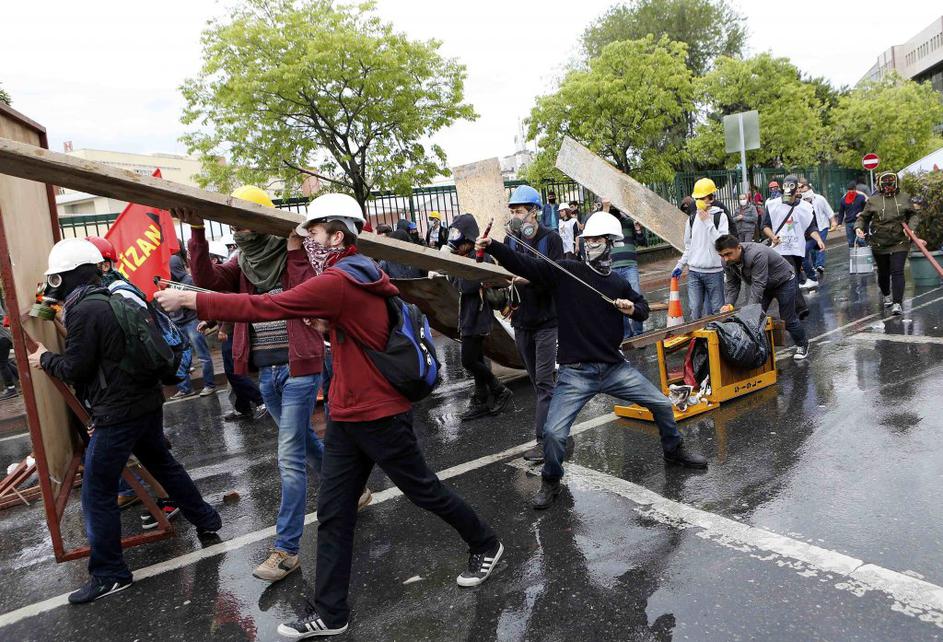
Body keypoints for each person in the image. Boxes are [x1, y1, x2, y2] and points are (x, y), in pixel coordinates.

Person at [155, 193, 503, 639]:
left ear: (337, 236)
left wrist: (191, 299)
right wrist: (330, 326)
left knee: (424, 491)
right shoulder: (354, 274)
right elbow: (356, 327)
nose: (308, 242)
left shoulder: (341, 279)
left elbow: (266, 307)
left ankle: (486, 543)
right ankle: (331, 612)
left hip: (378, 414)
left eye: (314, 233)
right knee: (335, 513)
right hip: (346, 413)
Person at [28, 238, 221, 604]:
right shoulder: (109, 296)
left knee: (96, 492)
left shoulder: (84, 309)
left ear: (64, 277)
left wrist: (45, 359)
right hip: (144, 401)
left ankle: (110, 574)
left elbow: (76, 367)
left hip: (118, 412)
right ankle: (207, 519)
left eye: (55, 278)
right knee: (163, 464)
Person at [477, 211, 707, 510]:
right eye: (587, 240)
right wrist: (494, 246)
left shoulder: (617, 283)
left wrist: (631, 309)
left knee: (662, 404)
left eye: (597, 240)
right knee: (553, 433)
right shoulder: (567, 271)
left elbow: (642, 309)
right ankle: (551, 480)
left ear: (611, 244)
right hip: (575, 373)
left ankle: (673, 451)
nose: (590, 244)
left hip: (614, 368)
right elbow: (527, 265)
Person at [173, 184, 328, 584]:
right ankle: (350, 486)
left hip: (300, 368)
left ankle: (286, 550)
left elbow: (304, 295)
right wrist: (196, 231)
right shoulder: (244, 263)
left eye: (243, 222)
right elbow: (207, 279)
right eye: (233, 225)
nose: (237, 230)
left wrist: (293, 248)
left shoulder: (297, 252)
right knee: (303, 442)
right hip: (267, 373)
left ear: (261, 222)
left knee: (289, 457)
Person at [505, 185, 562, 462]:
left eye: (520, 211)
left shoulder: (551, 239)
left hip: (547, 321)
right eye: (513, 212)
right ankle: (558, 426)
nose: (516, 217)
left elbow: (556, 277)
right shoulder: (510, 241)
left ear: (534, 212)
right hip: (521, 321)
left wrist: (528, 279)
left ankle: (544, 442)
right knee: (537, 384)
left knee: (544, 382)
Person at [447, 213, 514, 421]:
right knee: (476, 358)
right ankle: (481, 399)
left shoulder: (481, 256)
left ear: (467, 237)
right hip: (468, 315)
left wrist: (453, 269)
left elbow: (466, 286)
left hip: (477, 316)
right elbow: (455, 283)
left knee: (468, 360)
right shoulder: (464, 258)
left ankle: (499, 389)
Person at [715, 235, 810, 360]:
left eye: (728, 254)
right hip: (765, 285)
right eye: (722, 255)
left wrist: (750, 311)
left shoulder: (756, 254)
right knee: (755, 321)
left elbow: (758, 284)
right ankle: (760, 351)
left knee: (787, 319)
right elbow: (732, 284)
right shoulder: (726, 261)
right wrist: (729, 303)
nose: (726, 259)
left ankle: (802, 344)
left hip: (784, 281)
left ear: (738, 247)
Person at [855, 171, 920, 316]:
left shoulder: (904, 197)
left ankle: (897, 303)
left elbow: (913, 215)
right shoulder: (873, 200)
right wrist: (858, 227)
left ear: (896, 184)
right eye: (885, 185)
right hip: (879, 242)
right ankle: (886, 294)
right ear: (879, 185)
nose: (888, 187)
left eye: (891, 184)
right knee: (883, 272)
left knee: (897, 271)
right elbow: (863, 217)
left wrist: (911, 228)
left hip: (900, 240)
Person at [762, 175, 825, 323]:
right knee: (791, 275)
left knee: (791, 280)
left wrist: (818, 239)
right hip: (780, 250)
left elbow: (811, 227)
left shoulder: (805, 207)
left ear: (797, 190)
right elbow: (765, 225)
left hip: (797, 249)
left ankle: (788, 313)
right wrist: (773, 236)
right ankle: (800, 308)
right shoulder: (772, 205)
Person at [672, 178, 728, 320]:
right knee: (695, 310)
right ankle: (696, 335)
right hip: (694, 272)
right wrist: (680, 265)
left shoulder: (720, 217)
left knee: (716, 312)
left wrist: (708, 222)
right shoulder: (691, 219)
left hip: (714, 272)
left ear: (711, 198)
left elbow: (722, 243)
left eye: (703, 198)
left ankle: (718, 334)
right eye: (697, 198)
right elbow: (689, 246)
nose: (699, 201)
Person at [167, 250, 217, 400]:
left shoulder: (189, 280)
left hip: (191, 321)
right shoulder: (168, 282)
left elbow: (200, 300)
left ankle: (209, 385)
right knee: (181, 358)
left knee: (203, 356)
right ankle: (185, 388)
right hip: (177, 323)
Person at [607, 201, 648, 337]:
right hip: (613, 268)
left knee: (635, 298)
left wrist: (638, 229)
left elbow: (643, 242)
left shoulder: (629, 222)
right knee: (618, 302)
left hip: (630, 265)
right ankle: (626, 335)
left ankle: (639, 333)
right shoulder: (607, 224)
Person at [797, 177, 837, 290]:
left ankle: (820, 266)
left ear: (808, 186)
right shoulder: (800, 202)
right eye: (799, 188)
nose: (800, 190)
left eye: (802, 187)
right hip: (809, 230)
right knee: (812, 250)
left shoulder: (819, 199)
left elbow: (829, 211)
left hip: (822, 227)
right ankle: (815, 266)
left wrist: (833, 222)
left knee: (820, 246)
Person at [837, 181, 868, 248]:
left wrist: (862, 213)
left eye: (852, 190)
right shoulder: (843, 200)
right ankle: (853, 254)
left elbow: (867, 209)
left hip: (859, 222)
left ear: (855, 189)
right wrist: (839, 224)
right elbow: (841, 212)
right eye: (849, 190)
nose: (851, 191)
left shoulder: (861, 197)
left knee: (861, 240)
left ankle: (865, 252)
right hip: (849, 223)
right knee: (851, 242)